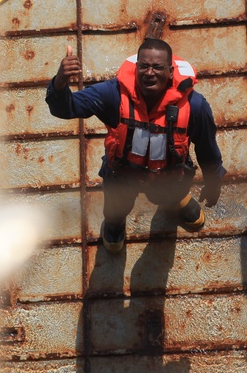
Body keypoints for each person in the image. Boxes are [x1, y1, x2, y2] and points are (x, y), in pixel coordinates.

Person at [45, 38, 227, 253]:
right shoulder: (112, 94)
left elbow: (207, 148)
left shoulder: (195, 106)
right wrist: (60, 82)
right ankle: (114, 225)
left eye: (158, 67)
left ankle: (176, 200)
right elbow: (66, 108)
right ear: (136, 67)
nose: (149, 73)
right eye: (144, 66)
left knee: (170, 194)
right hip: (121, 174)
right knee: (115, 207)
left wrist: (213, 181)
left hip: (169, 176)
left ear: (170, 71)